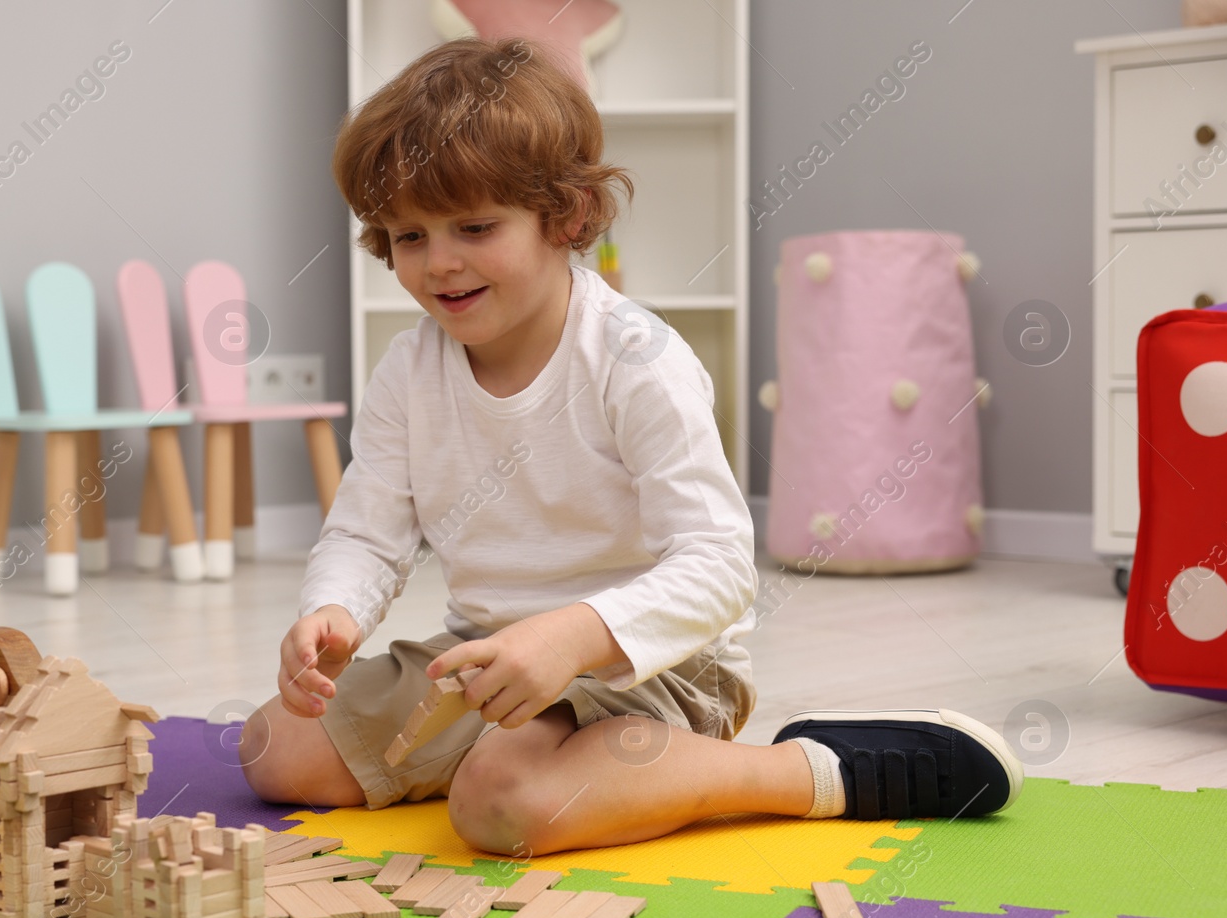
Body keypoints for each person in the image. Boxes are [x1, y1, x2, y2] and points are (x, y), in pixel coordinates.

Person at [238, 35, 1022, 857]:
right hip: (489, 663)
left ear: (566, 217)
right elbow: (367, 532)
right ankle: (530, 756)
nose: (440, 263)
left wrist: (574, 636)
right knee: (272, 746)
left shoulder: (634, 359)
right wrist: (332, 612)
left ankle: (811, 767)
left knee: (502, 808)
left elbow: (719, 565)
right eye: (408, 237)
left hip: (654, 668)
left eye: (474, 226)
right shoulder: (408, 371)